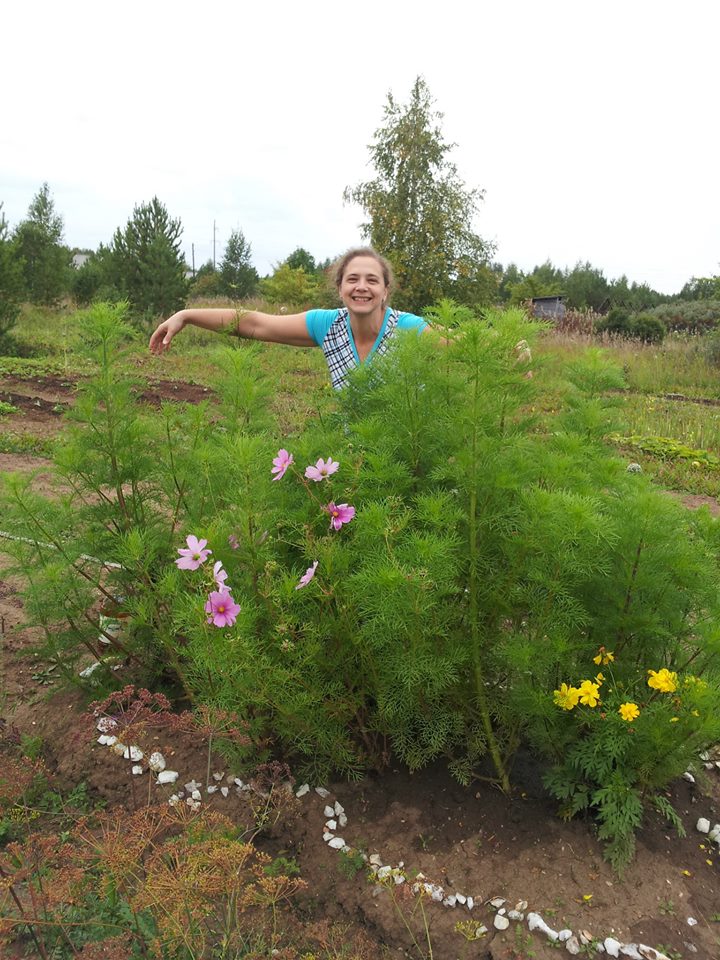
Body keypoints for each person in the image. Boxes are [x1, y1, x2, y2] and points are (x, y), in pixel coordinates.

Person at [149, 247, 429, 389]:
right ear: (340, 289)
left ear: (385, 291)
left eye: (372, 280)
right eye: (352, 279)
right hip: (351, 459)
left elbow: (467, 345)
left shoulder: (408, 329)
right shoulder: (328, 325)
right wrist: (186, 316)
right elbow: (256, 323)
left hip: (404, 464)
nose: (362, 287)